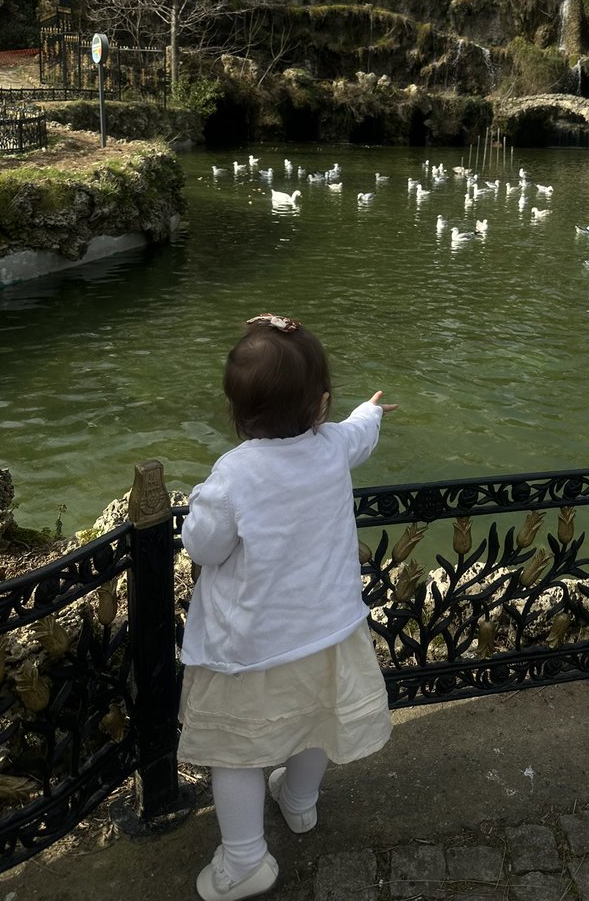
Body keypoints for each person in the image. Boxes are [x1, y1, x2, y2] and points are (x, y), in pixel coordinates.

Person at [178, 313, 398, 901]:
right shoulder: (330, 448)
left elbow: (203, 545)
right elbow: (360, 433)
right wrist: (372, 411)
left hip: (252, 647)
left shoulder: (233, 475)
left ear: (236, 411)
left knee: (238, 752)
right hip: (327, 630)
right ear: (321, 405)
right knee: (315, 721)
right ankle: (299, 803)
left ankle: (246, 860)